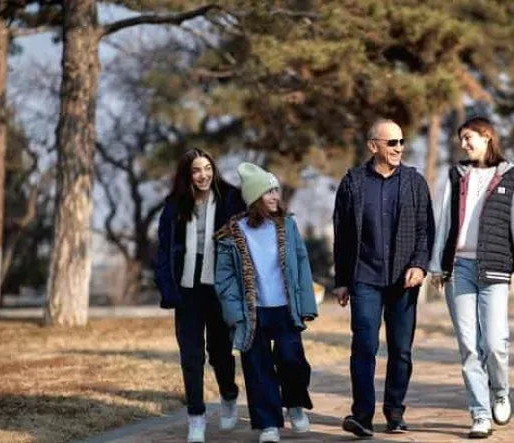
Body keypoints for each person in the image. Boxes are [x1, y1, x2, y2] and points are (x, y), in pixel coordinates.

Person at [428, 116, 514, 439]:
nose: (463, 144)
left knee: (494, 342)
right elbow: (445, 221)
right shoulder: (457, 175)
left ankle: (500, 391)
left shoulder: (513, 176)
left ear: (487, 137)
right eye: (461, 139)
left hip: (495, 269)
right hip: (459, 267)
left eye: (468, 137)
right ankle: (479, 413)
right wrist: (437, 265)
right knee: (469, 347)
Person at [332, 118, 435, 437]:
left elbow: (425, 229)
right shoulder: (352, 182)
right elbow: (342, 234)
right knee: (364, 345)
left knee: (401, 349)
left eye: (401, 142)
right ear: (373, 145)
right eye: (392, 142)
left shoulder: (415, 182)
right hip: (365, 277)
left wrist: (419, 265)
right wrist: (342, 279)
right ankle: (361, 415)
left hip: (405, 280)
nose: (399, 148)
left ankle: (395, 411)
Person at [214, 162, 318, 443]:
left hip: (285, 309)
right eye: (268, 192)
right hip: (252, 313)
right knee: (257, 369)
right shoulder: (232, 233)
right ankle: (268, 424)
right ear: (254, 197)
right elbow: (224, 279)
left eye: (275, 191)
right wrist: (235, 314)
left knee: (292, 360)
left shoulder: (287, 225)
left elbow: (301, 263)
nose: (275, 196)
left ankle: (294, 403)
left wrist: (306, 305)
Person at [153, 148, 244, 443]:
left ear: (213, 170)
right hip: (187, 289)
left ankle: (229, 394)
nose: (203, 175)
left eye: (207, 168)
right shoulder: (174, 206)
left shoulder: (230, 199)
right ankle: (196, 417)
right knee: (191, 356)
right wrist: (167, 288)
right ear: (187, 175)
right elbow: (164, 251)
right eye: (196, 170)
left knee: (220, 352)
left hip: (219, 287)